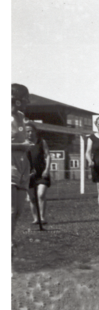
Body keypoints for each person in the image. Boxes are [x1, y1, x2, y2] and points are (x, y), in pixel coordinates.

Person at [12, 83, 34, 248]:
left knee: (18, 211)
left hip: (23, 166)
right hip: (8, 164)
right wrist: (21, 146)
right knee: (10, 209)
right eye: (25, 99)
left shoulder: (20, 116)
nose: (27, 103)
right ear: (17, 100)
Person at [26, 123, 51, 225]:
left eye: (32, 131)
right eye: (27, 131)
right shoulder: (23, 144)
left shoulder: (41, 142)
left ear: (35, 132)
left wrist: (47, 169)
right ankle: (36, 218)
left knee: (40, 194)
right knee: (32, 197)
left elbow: (48, 155)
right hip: (28, 174)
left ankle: (42, 217)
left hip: (42, 173)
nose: (30, 133)